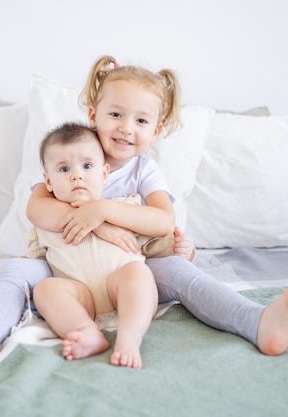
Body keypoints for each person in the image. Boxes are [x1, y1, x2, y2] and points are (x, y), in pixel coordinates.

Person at [0, 55, 288, 368]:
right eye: (115, 114)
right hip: (66, 273)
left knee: (182, 274)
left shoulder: (146, 169)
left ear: (156, 130)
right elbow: (38, 210)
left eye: (141, 120)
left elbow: (163, 221)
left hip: (129, 272)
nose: (127, 127)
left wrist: (102, 211)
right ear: (93, 114)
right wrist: (100, 226)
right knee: (19, 276)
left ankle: (257, 323)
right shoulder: (69, 152)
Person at [28, 122, 191, 368]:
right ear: (48, 182)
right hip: (80, 297)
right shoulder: (46, 221)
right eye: (64, 168)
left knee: (137, 272)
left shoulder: (127, 207)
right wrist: (1, 281)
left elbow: (158, 242)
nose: (77, 175)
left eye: (87, 166)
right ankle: (86, 331)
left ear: (104, 175)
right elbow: (31, 259)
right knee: (45, 289)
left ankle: (130, 336)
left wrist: (185, 250)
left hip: (121, 289)